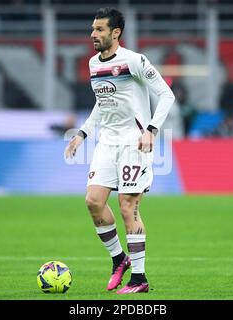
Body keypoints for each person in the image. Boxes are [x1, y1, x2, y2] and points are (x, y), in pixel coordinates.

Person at [64, 8, 175, 294]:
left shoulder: (135, 61)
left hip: (134, 143)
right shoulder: (92, 64)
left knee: (127, 206)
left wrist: (151, 131)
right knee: (93, 201)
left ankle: (139, 279)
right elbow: (102, 103)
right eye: (92, 29)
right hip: (106, 143)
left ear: (116, 33)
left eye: (100, 29)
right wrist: (82, 134)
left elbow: (166, 94)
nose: (93, 34)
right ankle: (119, 259)